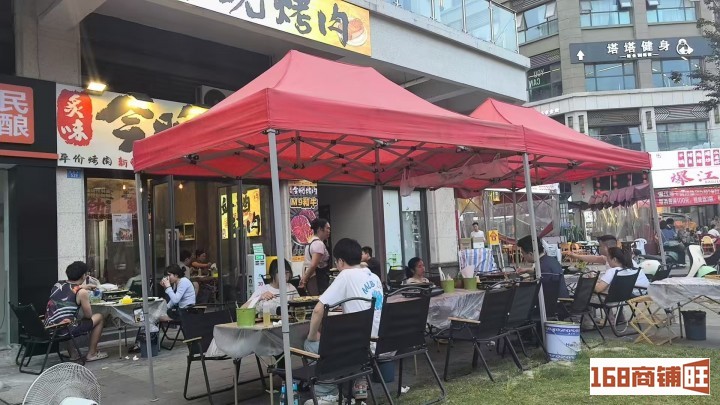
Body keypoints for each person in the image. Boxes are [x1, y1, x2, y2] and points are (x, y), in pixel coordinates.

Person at [304, 238, 383, 405]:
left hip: (357, 347)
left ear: (340, 261)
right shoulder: (373, 276)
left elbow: (318, 310)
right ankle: (356, 382)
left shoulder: (345, 275)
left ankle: (328, 393)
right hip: (377, 343)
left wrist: (312, 335)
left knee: (311, 344)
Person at [45, 261, 107, 361]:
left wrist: (83, 287)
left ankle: (73, 354)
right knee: (99, 317)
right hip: (65, 330)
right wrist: (83, 291)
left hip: (50, 328)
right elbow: (88, 316)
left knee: (65, 318)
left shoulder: (58, 284)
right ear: (83, 276)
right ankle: (92, 353)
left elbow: (70, 288)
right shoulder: (82, 292)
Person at [300, 218, 331, 295]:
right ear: (320, 229)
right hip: (317, 278)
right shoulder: (318, 244)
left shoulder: (311, 241)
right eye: (327, 228)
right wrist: (304, 280)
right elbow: (314, 265)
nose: (329, 231)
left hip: (311, 276)